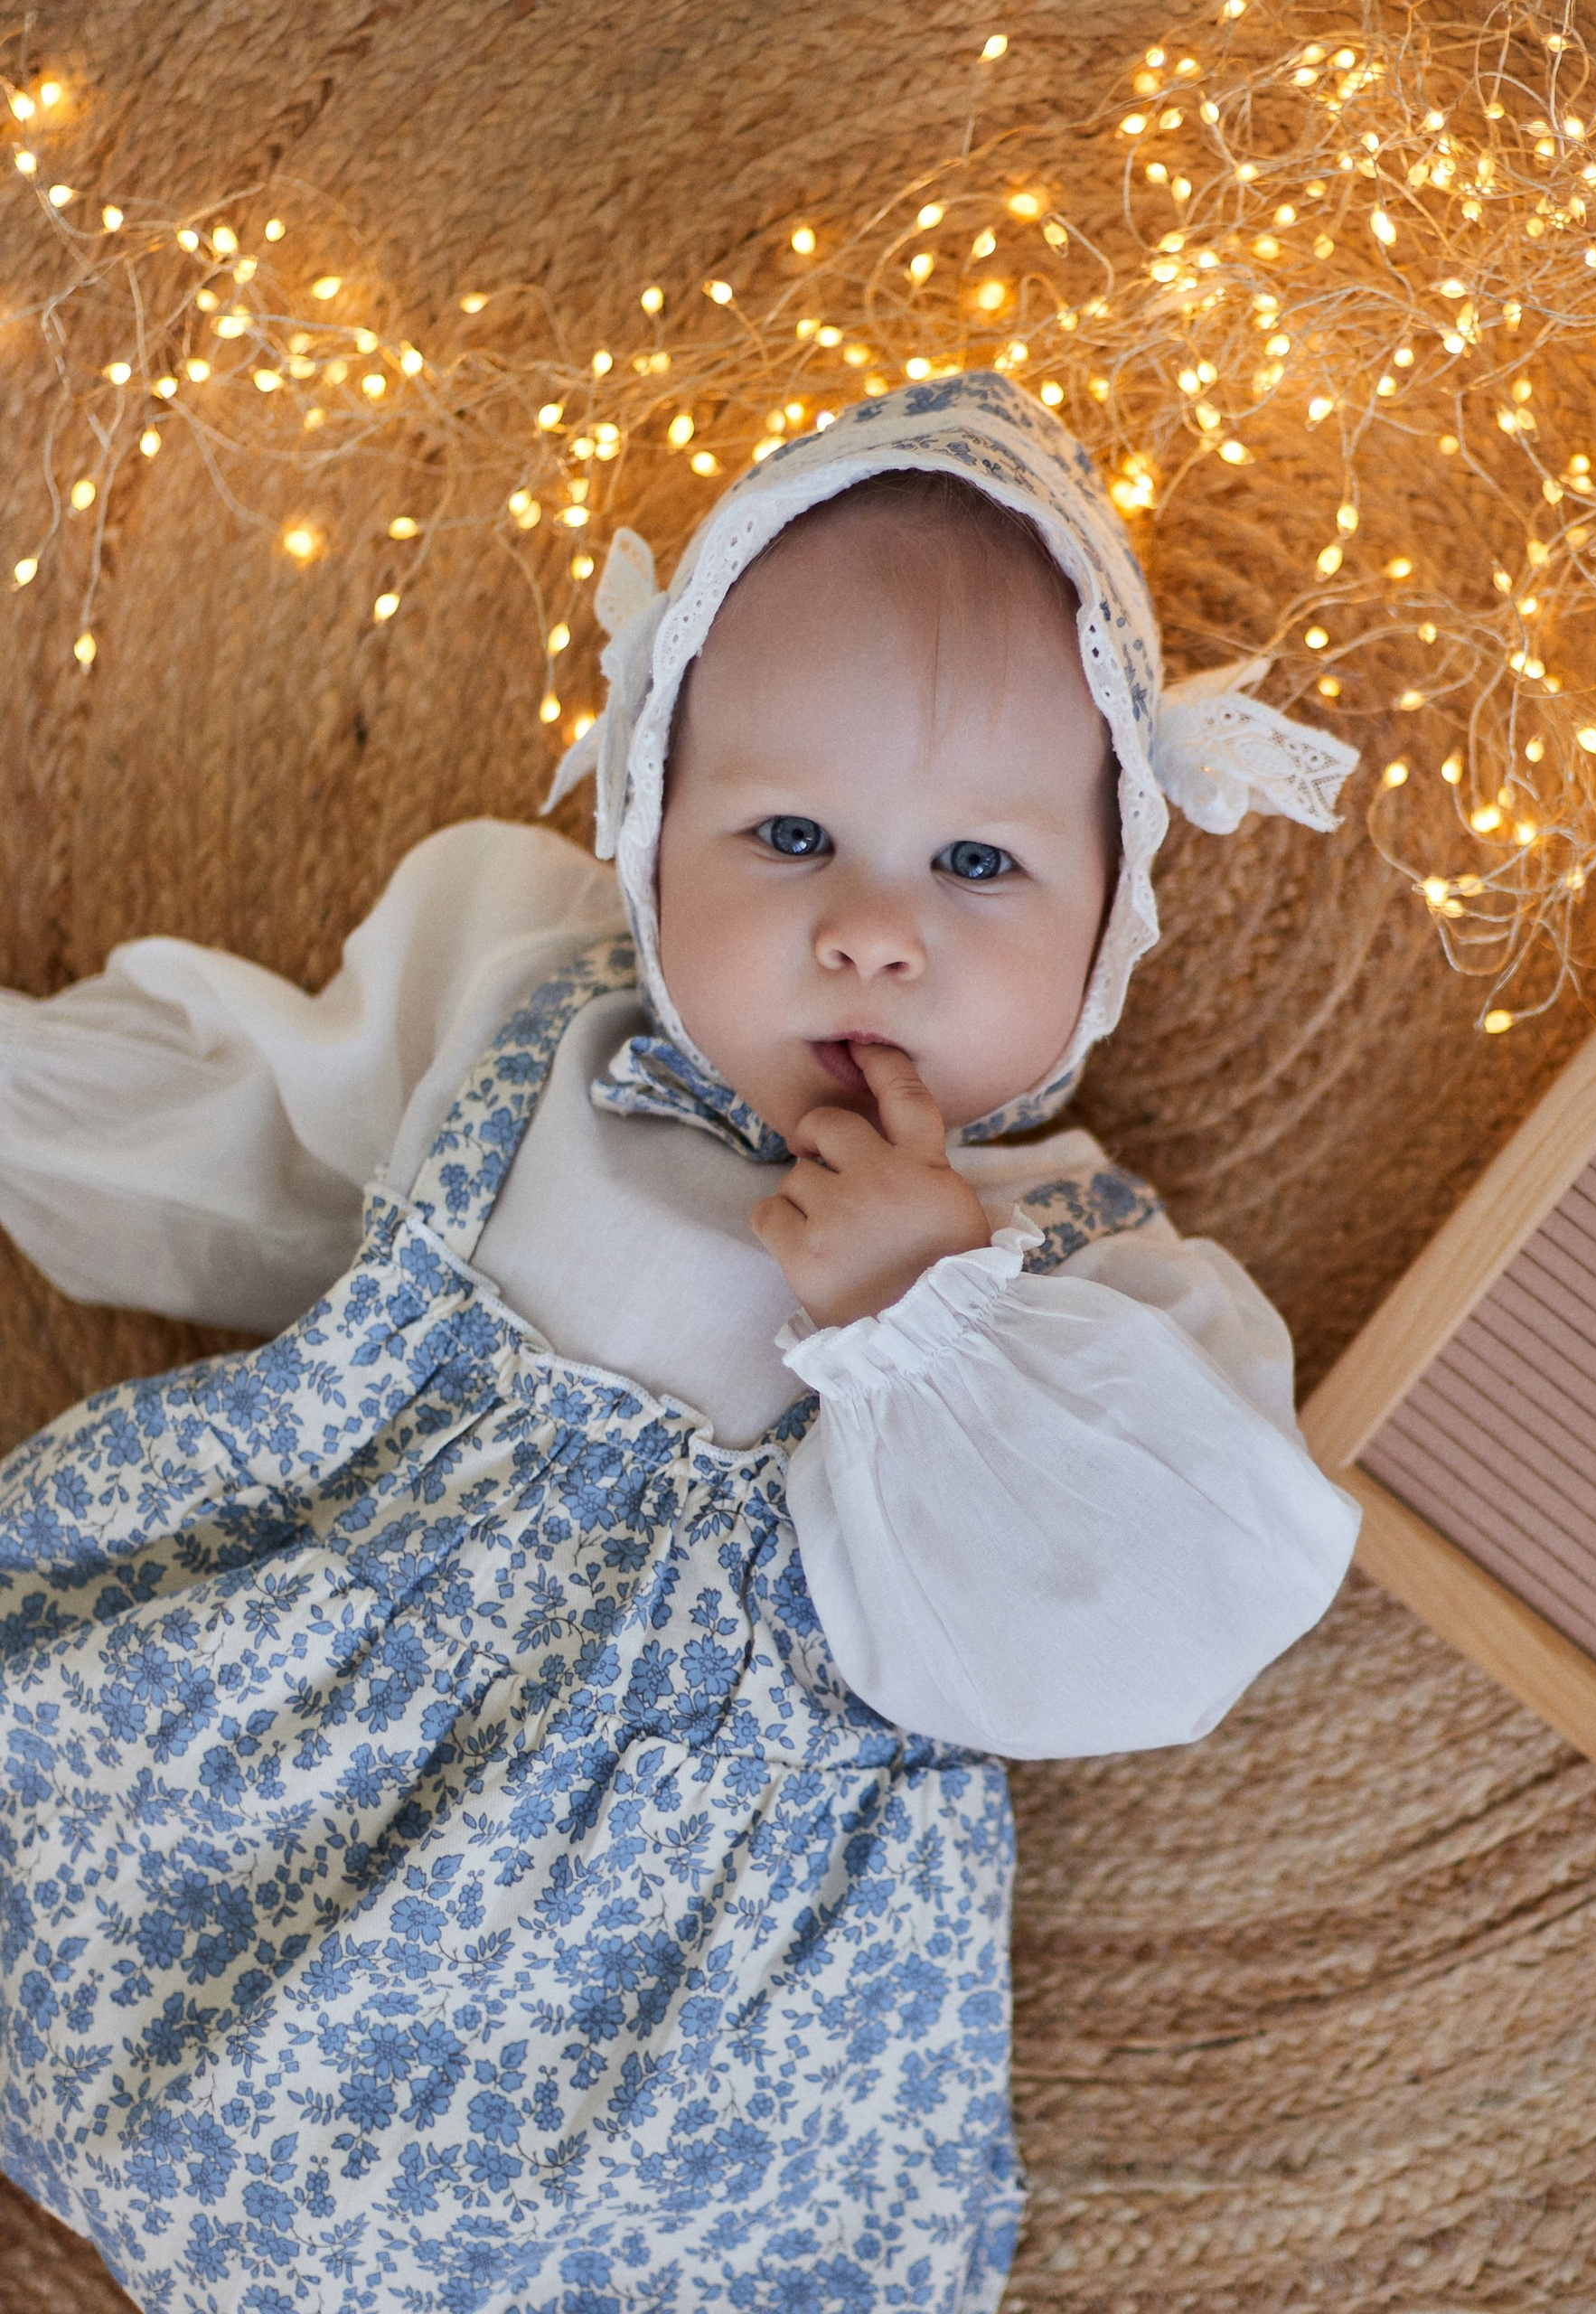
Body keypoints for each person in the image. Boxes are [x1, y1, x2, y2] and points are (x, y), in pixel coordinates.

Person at [0, 372, 1363, 2311]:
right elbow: (262, 1134)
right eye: (789, 831)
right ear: (648, 830)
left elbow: (1161, 1607)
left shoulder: (1078, 1286)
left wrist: (927, 1320)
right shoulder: (534, 1005)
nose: (874, 929)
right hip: (264, 1722)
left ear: (1109, 919)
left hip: (650, 2006)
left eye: (980, 865)